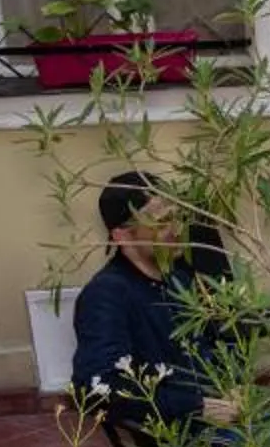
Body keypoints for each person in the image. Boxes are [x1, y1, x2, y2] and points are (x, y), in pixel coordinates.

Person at [69, 170, 236, 432]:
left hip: (224, 421)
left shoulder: (181, 278)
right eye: (162, 222)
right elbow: (95, 388)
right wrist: (196, 406)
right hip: (178, 444)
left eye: (178, 217)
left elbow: (213, 346)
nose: (177, 229)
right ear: (122, 235)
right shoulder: (106, 295)